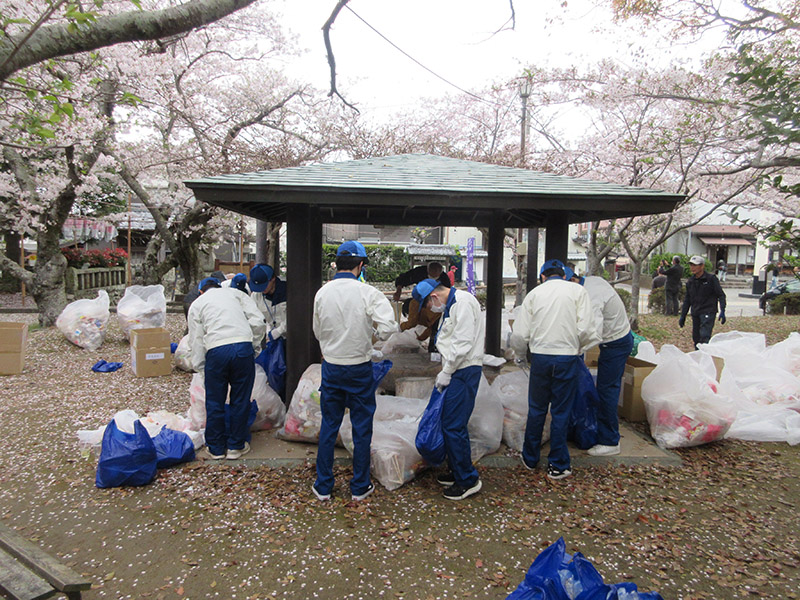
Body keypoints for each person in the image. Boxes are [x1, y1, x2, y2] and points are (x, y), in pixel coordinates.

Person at [312, 241, 398, 502]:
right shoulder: (368, 292)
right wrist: (371, 337)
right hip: (359, 367)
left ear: (337, 263)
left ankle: (324, 485)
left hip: (332, 366)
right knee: (362, 426)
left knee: (329, 424)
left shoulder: (322, 293)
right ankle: (360, 486)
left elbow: (318, 331)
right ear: (360, 265)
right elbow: (389, 327)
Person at [510, 259, 600, 480]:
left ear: (542, 276)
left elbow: (520, 333)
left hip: (540, 357)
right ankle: (558, 464)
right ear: (565, 275)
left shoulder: (534, 294)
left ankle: (530, 458)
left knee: (537, 408)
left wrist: (520, 355)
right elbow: (587, 328)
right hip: (567, 357)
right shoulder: (577, 292)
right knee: (561, 411)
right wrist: (578, 347)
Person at [412, 277, 485, 500]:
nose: (430, 310)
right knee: (449, 422)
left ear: (433, 297)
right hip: (456, 370)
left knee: (454, 425)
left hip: (463, 370)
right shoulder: (453, 303)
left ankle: (467, 479)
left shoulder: (463, 303)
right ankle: (456, 470)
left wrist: (448, 370)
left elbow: (461, 343)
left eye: (427, 305)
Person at [188, 276, 266, 460]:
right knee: (241, 398)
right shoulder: (235, 294)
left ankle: (215, 447)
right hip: (242, 347)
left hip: (216, 350)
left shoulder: (198, 304)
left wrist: (200, 367)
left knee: (215, 400)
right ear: (220, 286)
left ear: (201, 291)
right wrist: (253, 347)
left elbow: (196, 340)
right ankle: (236, 446)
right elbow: (258, 322)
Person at [565, 268, 633, 457]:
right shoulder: (591, 281)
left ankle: (610, 441)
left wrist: (575, 352)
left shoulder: (591, 296)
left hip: (616, 343)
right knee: (603, 387)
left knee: (607, 390)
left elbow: (592, 333)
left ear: (573, 279)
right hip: (612, 340)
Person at [679, 255, 727, 349]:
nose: (692, 268)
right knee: (696, 338)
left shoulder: (711, 279)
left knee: (704, 336)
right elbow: (687, 300)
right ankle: (698, 356)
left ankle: (704, 358)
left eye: (695, 265)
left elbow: (721, 295)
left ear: (702, 266)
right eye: (691, 265)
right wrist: (683, 316)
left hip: (708, 311)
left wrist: (723, 310)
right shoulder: (691, 282)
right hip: (696, 312)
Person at [248, 263, 287, 340]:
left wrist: (279, 331)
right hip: (270, 339)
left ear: (273, 278)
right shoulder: (256, 295)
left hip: (292, 338)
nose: (261, 289)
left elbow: (296, 315)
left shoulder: (288, 289)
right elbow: (253, 316)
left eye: (264, 284)